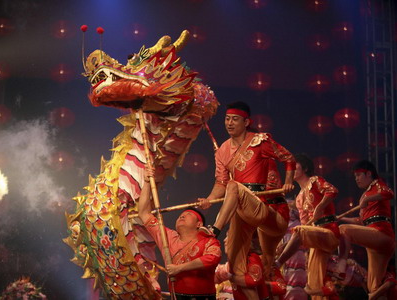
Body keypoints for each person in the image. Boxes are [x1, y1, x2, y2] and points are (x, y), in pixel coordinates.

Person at [199, 101, 295, 298]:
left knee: (234, 186)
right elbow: (221, 183)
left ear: (246, 122)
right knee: (235, 266)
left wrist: (288, 182)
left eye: (235, 119)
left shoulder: (260, 141)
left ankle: (214, 230)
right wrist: (209, 200)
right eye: (227, 119)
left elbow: (288, 158)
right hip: (238, 206)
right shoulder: (223, 151)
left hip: (257, 204)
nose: (229, 123)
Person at [138, 166, 222, 300]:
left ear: (198, 224)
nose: (181, 216)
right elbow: (143, 213)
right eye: (181, 215)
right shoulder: (168, 238)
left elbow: (211, 258)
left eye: (187, 214)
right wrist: (147, 182)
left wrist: (180, 268)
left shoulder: (208, 240)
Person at [275, 154, 340, 300]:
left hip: (328, 232)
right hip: (315, 238)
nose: (291, 170)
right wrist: (286, 244)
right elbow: (304, 226)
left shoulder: (315, 181)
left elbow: (333, 190)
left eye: (294, 166)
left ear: (304, 168)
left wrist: (320, 207)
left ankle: (278, 262)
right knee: (315, 283)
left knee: (300, 230)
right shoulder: (299, 197)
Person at [337, 160, 395, 298]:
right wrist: (340, 218)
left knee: (344, 230)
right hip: (375, 240)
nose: (356, 179)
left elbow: (390, 193)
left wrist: (370, 199)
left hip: (381, 234)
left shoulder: (378, 185)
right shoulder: (365, 195)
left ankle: (341, 265)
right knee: (373, 287)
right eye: (355, 176)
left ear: (368, 173)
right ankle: (383, 290)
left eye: (358, 175)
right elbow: (361, 222)